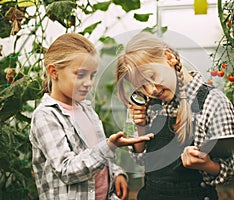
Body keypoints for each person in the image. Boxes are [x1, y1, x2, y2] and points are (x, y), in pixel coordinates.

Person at [115, 32, 234, 200]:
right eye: (142, 86)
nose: (151, 90)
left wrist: (208, 165)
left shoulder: (213, 102)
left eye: (152, 76)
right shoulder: (145, 103)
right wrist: (140, 127)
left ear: (169, 57)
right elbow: (140, 159)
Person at [29, 33, 154, 200]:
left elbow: (96, 154)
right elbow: (66, 170)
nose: (88, 82)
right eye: (80, 75)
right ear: (54, 71)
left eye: (92, 75)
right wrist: (109, 146)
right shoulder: (46, 116)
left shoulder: (86, 110)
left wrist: (116, 173)